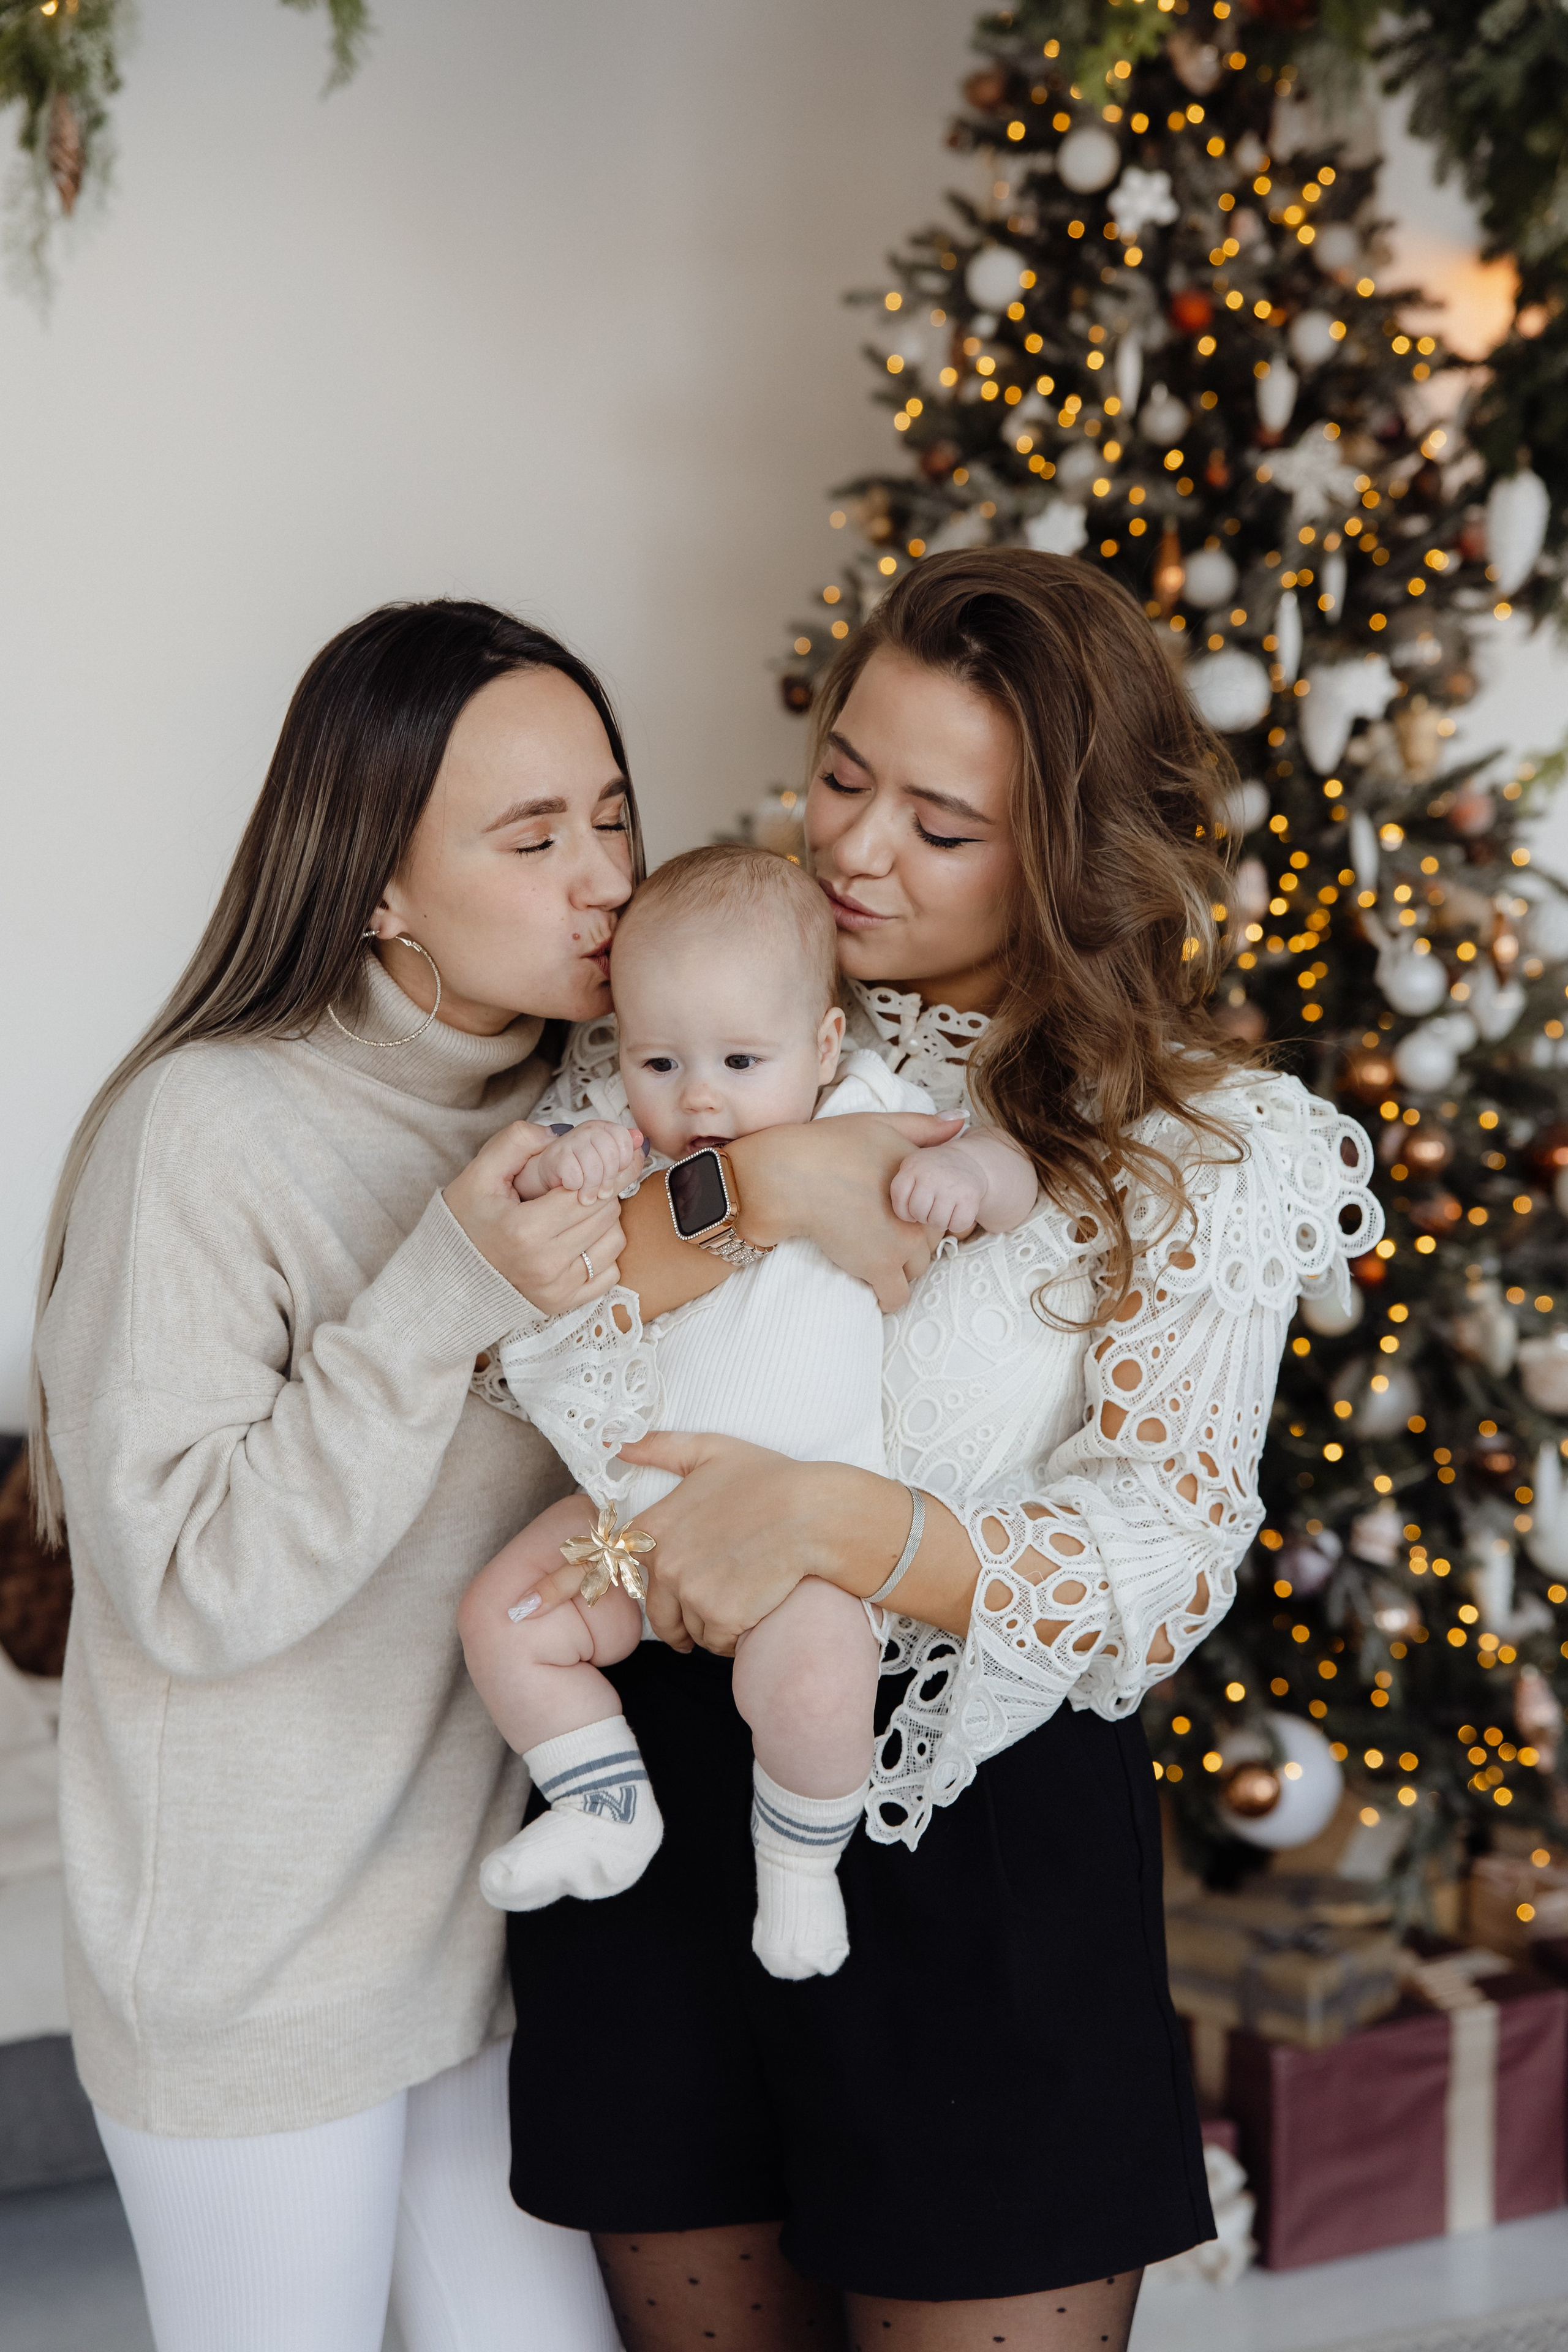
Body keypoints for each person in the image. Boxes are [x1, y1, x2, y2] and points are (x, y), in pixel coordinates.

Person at [29, 600, 953, 2352]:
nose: (604, 878)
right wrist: (444, 1289)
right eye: (534, 839)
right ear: (376, 882)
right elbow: (186, 1588)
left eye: (612, 815)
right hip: (255, 1974)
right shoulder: (209, 1132)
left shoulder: (625, 1089)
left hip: (492, 1938)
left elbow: (710, 1274)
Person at [491, 550, 1384, 2352]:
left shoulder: (1201, 1141)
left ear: (1062, 853)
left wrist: (831, 1520)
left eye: (939, 821)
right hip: (658, 1816)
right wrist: (776, 1180)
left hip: (979, 1861)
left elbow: (1162, 1548)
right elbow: (539, 1302)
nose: (856, 849)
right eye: (842, 775)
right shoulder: (701, 992)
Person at [460, 845, 1036, 1981]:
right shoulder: (631, 1147)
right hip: (631, 1515)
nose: (699, 1096)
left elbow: (1009, 1171)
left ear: (823, 1048)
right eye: (659, 1060)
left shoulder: (870, 1109)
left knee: (820, 1692)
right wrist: (570, 1165)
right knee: (505, 1619)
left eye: (738, 1059)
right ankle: (604, 1807)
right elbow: (537, 1253)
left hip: (806, 1546)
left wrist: (970, 1184)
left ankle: (799, 1869)